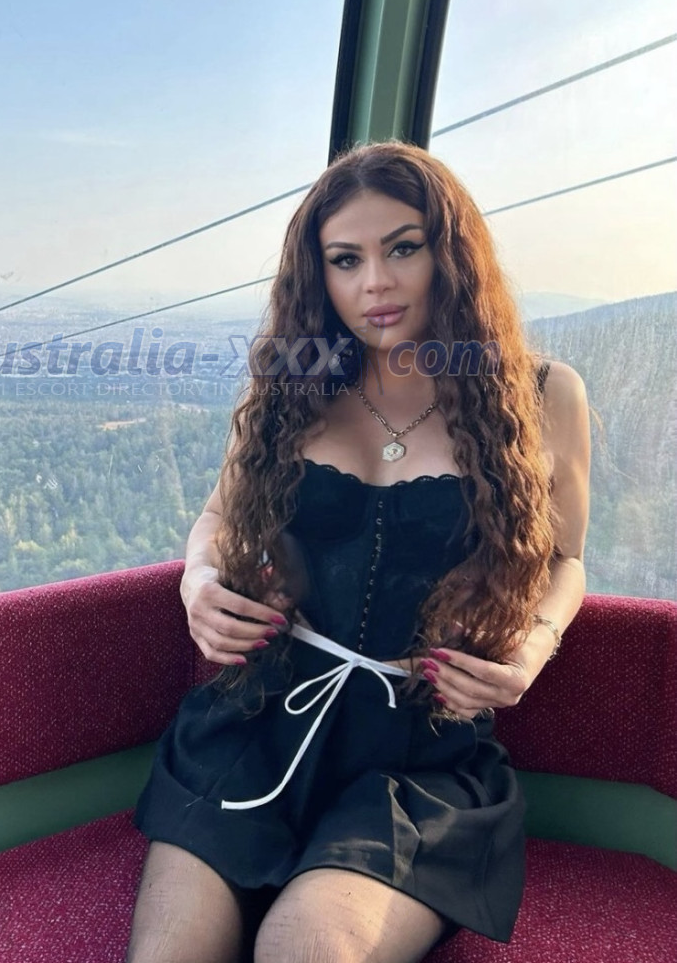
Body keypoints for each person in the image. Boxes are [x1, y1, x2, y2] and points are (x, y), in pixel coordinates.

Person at [127, 142, 590, 963]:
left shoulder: (543, 392)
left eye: (403, 248)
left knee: (303, 948)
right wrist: (197, 580)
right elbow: (217, 516)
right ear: (320, 273)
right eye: (346, 259)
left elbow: (564, 561)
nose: (375, 282)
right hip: (258, 724)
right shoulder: (291, 382)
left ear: (452, 256)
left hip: (422, 755)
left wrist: (532, 650)